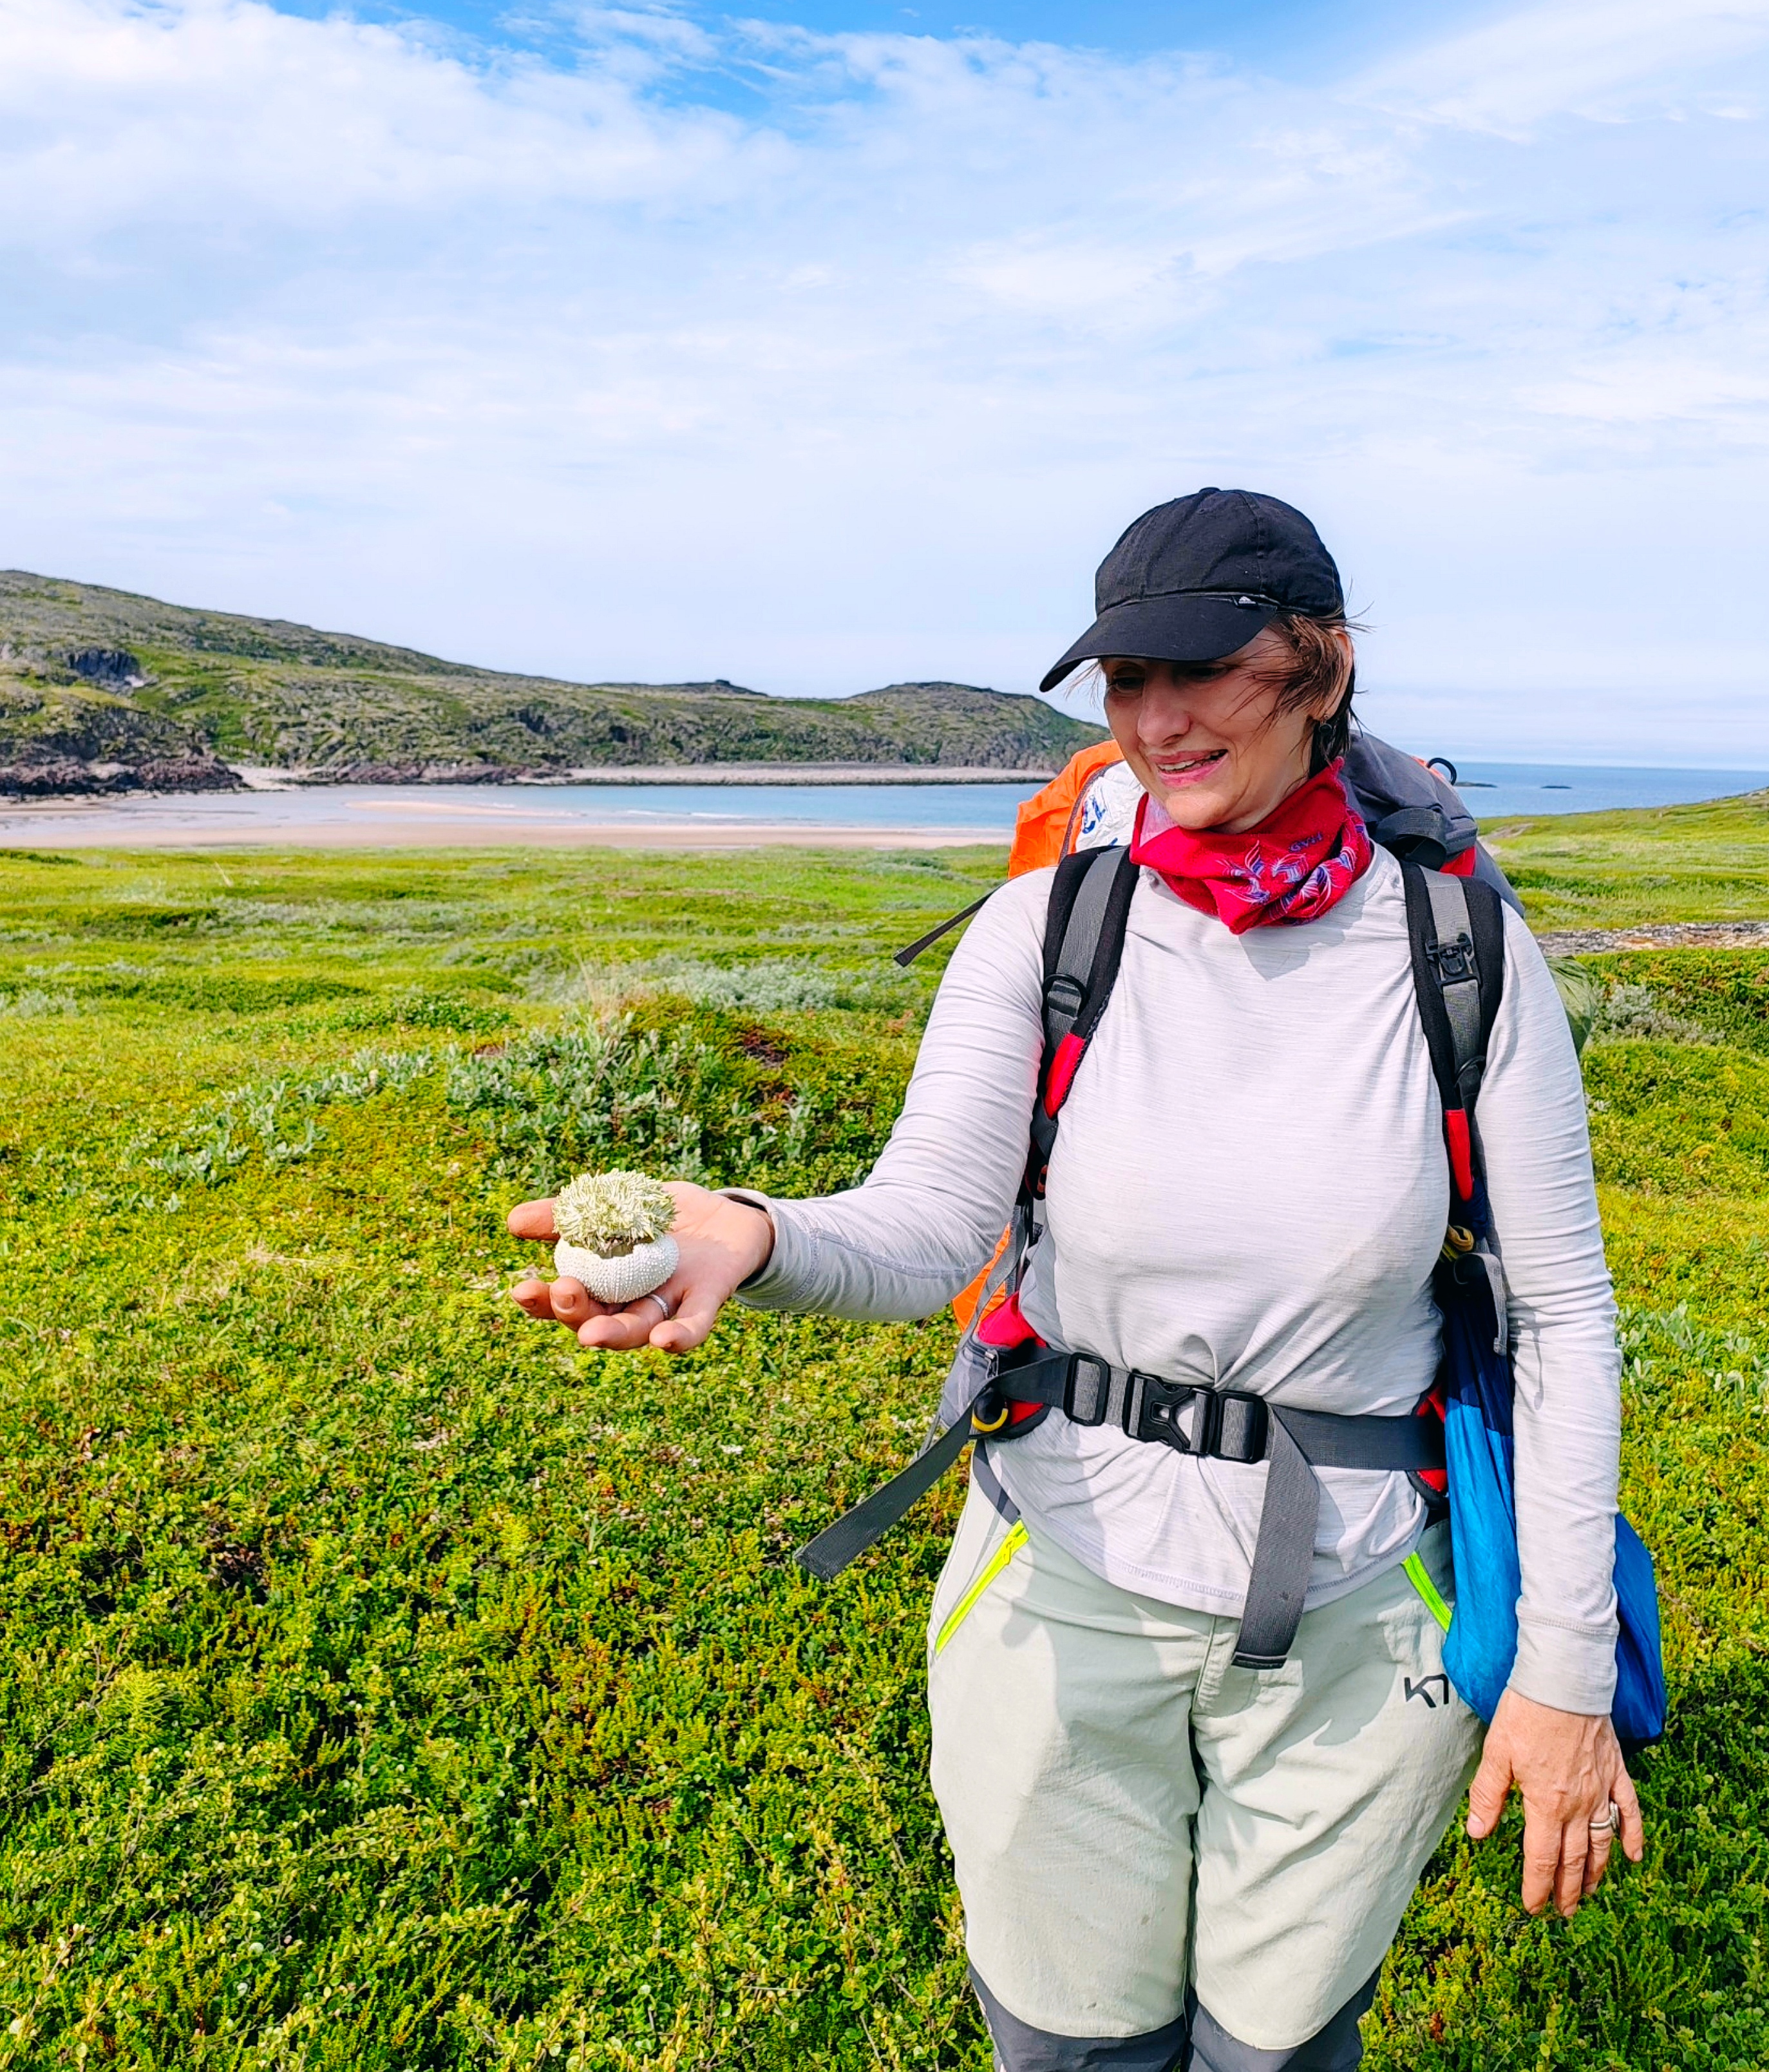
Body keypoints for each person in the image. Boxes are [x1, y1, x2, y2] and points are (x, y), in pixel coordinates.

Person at [511, 486, 1643, 2072]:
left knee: (1282, 2052)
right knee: (1071, 2046)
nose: (1156, 723)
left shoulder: (1458, 949)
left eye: (1203, 675)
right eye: (1124, 682)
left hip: (1362, 1609)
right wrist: (751, 1236)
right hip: (1060, 1574)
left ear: (1318, 673)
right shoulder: (1050, 929)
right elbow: (922, 1226)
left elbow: (1567, 1317)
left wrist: (1565, 1672)